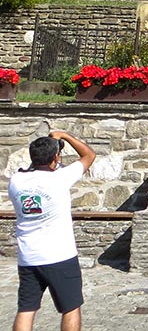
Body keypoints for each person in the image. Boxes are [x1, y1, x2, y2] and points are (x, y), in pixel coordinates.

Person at [8, 130, 96, 331]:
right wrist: (64, 136)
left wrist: (48, 148)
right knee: (71, 307)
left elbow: (35, 168)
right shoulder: (60, 178)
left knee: (26, 309)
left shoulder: (16, 181)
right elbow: (89, 156)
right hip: (60, 256)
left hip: (28, 257)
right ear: (56, 158)